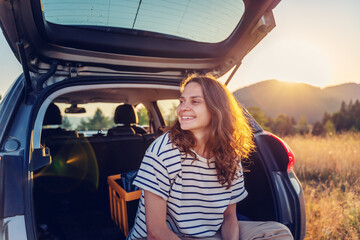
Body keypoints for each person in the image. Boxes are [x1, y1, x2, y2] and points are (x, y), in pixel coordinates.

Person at [127, 75, 293, 240]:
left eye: (195, 101)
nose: (182, 108)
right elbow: (155, 232)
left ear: (216, 109)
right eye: (182, 101)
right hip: (165, 236)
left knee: (278, 233)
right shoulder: (164, 150)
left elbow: (229, 217)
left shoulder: (231, 155)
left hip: (209, 233)